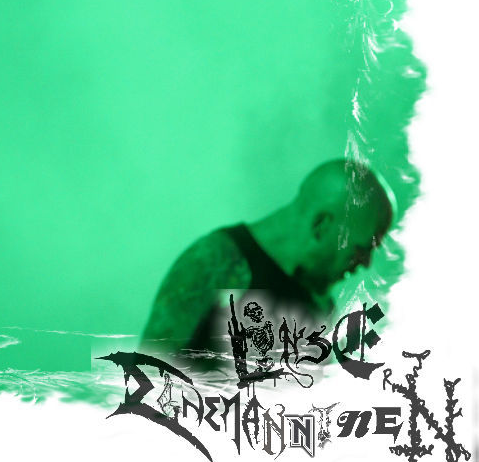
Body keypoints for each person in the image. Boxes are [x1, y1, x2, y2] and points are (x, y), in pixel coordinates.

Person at [138, 159, 394, 371]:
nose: (366, 263)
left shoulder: (322, 306)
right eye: (360, 250)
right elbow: (149, 378)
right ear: (321, 225)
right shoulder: (216, 260)